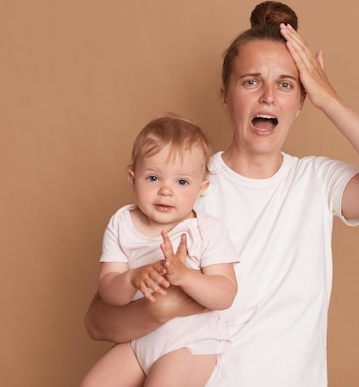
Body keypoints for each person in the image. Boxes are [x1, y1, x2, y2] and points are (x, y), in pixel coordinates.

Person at [84, 1, 359, 386]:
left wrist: (329, 98)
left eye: (286, 84)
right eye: (250, 81)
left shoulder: (315, 181)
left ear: (300, 101)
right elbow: (98, 321)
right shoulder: (184, 187)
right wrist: (164, 307)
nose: (267, 96)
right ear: (225, 96)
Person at [79, 115, 239, 387]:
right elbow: (108, 291)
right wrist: (130, 278)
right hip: (138, 339)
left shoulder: (205, 230)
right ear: (133, 178)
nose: (165, 191)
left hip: (190, 342)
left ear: (202, 188)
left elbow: (226, 293)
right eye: (153, 178)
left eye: (182, 182)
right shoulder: (122, 224)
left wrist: (186, 276)